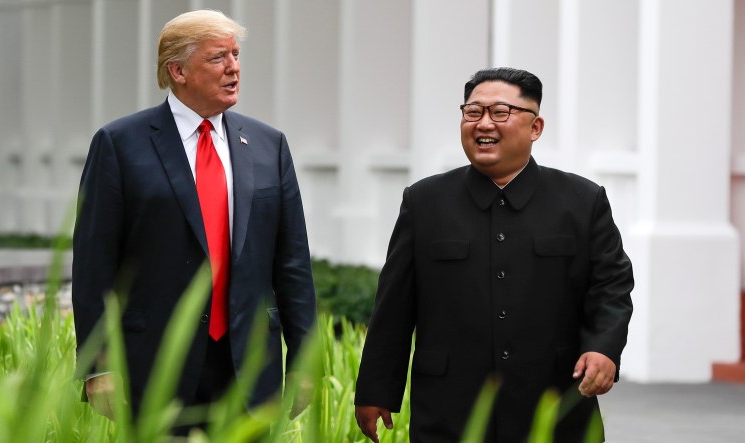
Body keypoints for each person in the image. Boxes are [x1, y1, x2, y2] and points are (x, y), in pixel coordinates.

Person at [354, 67, 633, 443]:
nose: (484, 123)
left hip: (553, 404)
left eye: (500, 113)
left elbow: (611, 286)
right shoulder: (424, 203)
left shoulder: (582, 201)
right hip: (449, 408)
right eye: (473, 112)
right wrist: (375, 390)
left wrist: (603, 349)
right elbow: (395, 305)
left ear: (536, 127)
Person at [72, 9, 316, 430]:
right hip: (157, 367)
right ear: (178, 70)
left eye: (236, 55)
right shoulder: (119, 144)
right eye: (218, 57)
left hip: (250, 367)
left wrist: (304, 360)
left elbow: (292, 263)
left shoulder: (268, 145)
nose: (234, 68)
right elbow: (94, 264)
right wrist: (98, 366)